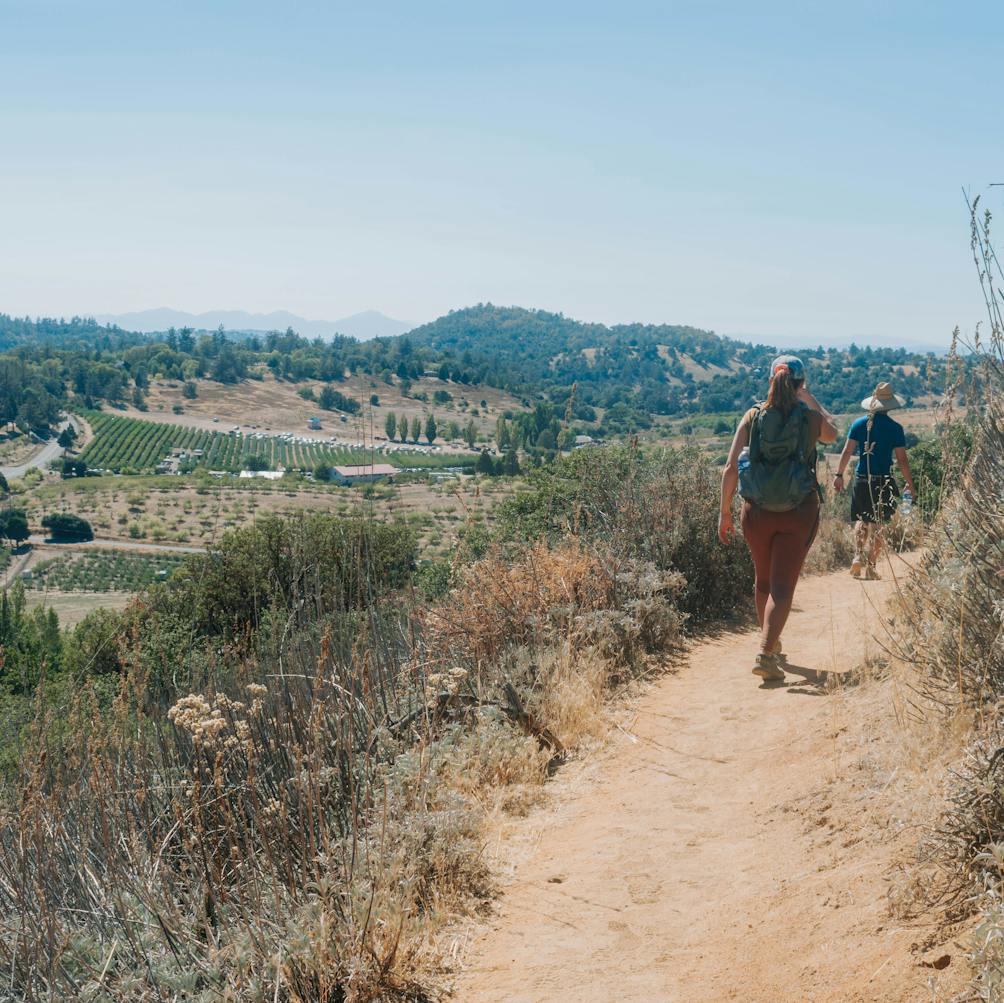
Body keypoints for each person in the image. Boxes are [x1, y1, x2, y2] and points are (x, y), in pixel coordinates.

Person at [719, 356, 838, 683]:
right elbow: (832, 434)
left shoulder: (753, 415)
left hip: (756, 511)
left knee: (764, 582)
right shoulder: (809, 418)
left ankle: (769, 641)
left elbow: (730, 468)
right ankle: (766, 650)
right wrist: (809, 397)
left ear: (771, 381)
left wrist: (725, 513)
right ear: (800, 384)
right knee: (783, 588)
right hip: (798, 511)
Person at [831, 381, 916, 580]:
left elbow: (847, 451)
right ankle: (871, 566)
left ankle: (857, 557)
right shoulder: (895, 428)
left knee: (862, 520)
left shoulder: (859, 424)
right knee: (878, 524)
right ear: (891, 405)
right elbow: (902, 460)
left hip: (862, 478)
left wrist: (839, 474)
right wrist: (910, 484)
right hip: (883, 480)